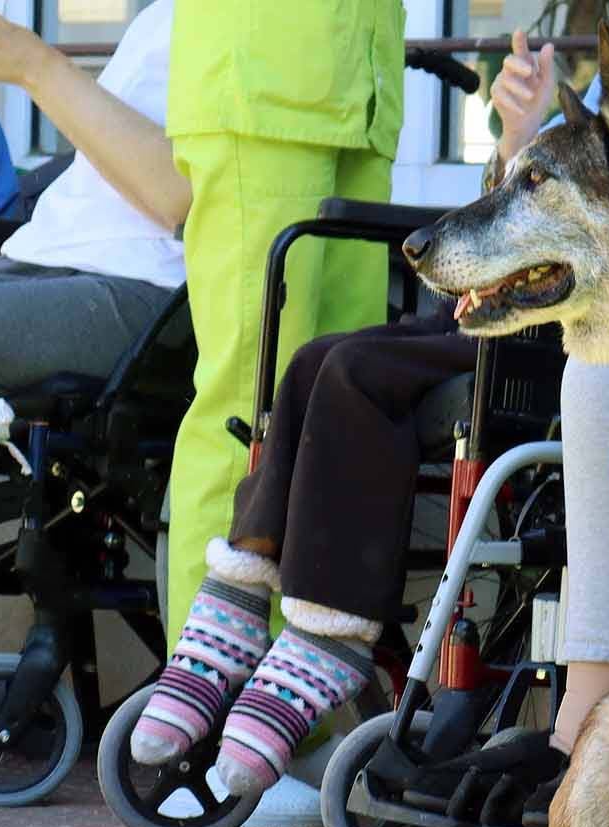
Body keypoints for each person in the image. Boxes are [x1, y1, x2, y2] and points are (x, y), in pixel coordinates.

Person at [132, 12, 609, 801]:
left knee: (352, 370)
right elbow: (507, 226)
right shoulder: (602, 101)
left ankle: (322, 638)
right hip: (531, 309)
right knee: (316, 361)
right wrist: (519, 134)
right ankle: (244, 602)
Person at [160, 0, 406, 660]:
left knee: (340, 416)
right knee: (246, 408)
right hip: (262, 79)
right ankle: (201, 709)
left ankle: (292, 721)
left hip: (363, 89)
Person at [0, 2, 185, 397]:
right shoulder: (168, 13)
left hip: (150, 281)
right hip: (44, 257)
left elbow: (182, 202)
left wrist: (31, 62)